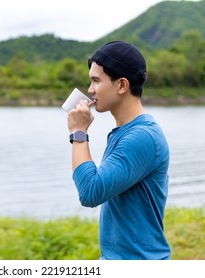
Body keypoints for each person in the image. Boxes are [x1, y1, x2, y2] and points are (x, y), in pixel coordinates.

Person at [67, 41, 171, 260]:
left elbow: (90, 192)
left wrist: (78, 133)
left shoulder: (141, 137)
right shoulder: (124, 132)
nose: (90, 90)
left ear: (122, 85)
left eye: (96, 81)